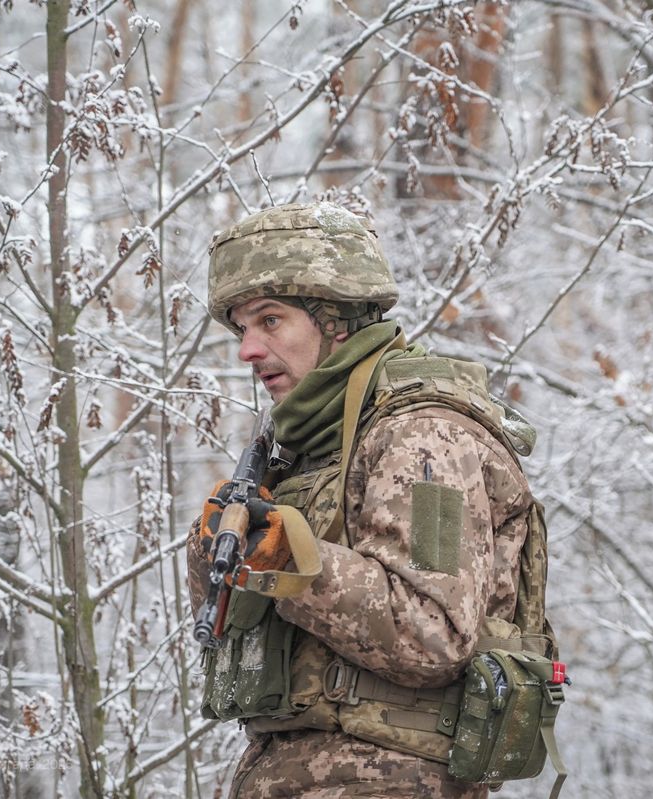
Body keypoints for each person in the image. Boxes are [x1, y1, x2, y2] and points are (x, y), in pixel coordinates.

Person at [187, 202, 561, 799]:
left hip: (389, 779)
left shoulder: (421, 432)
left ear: (334, 318)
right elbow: (230, 630)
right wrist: (217, 553)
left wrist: (291, 563)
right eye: (241, 327)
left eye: (270, 320)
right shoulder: (307, 447)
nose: (247, 350)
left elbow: (432, 632)